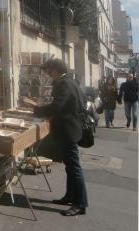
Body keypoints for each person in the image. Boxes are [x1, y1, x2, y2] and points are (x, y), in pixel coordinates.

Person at [34, 59, 88, 216]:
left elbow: (58, 106)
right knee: (70, 167)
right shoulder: (70, 81)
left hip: (68, 130)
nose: (48, 75)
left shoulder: (64, 84)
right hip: (71, 128)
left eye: (50, 71)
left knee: (74, 168)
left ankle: (81, 203)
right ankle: (70, 197)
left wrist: (38, 111)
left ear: (57, 70)